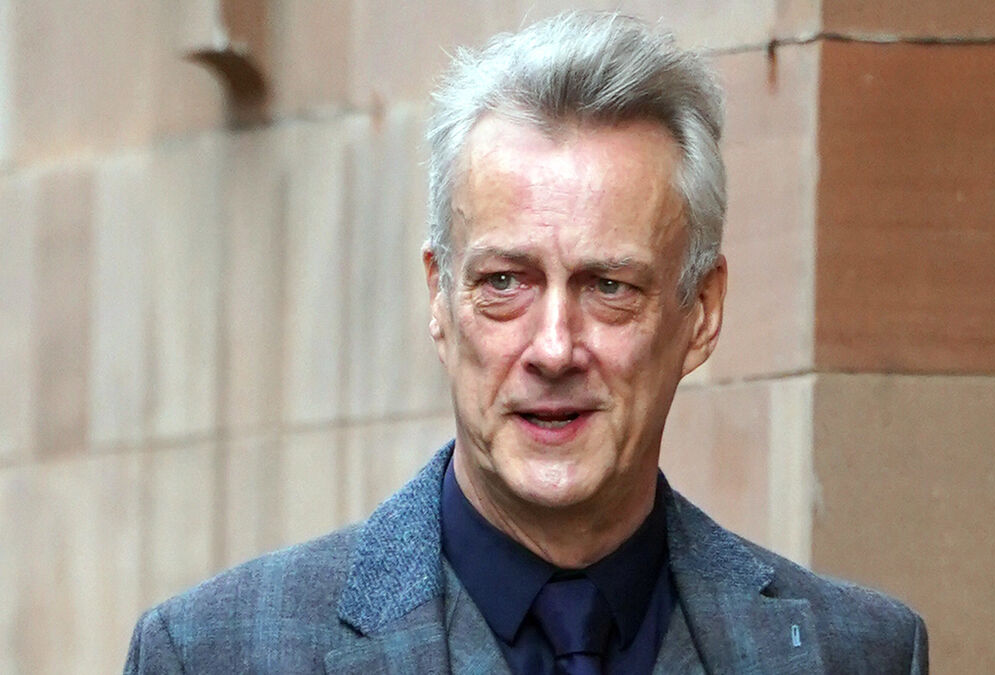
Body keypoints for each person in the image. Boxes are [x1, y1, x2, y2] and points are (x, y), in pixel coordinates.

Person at [124, 11, 928, 674]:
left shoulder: (860, 655)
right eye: (505, 281)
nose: (553, 348)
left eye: (608, 286)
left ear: (702, 312)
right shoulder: (212, 654)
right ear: (440, 297)